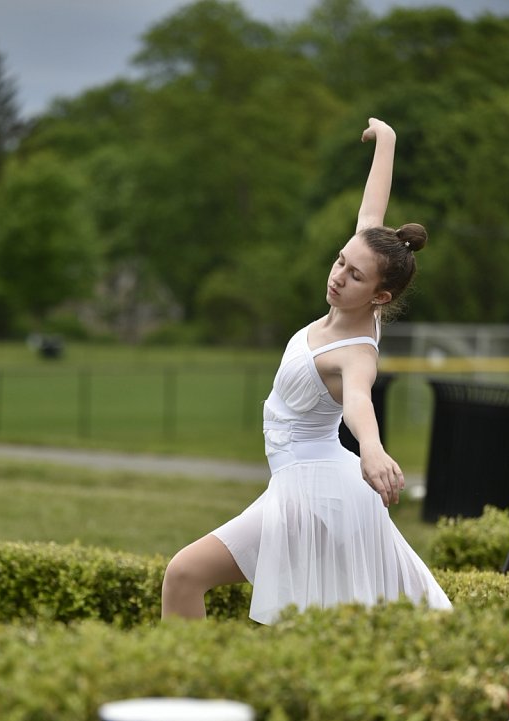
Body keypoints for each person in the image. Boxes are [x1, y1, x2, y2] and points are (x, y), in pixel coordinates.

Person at [162, 117, 451, 624]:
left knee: (183, 575)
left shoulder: (357, 350)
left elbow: (359, 401)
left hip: (313, 490)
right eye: (340, 261)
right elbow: (371, 211)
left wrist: (375, 450)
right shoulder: (365, 283)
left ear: (380, 296)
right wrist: (387, 141)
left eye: (354, 275)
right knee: (329, 621)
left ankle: (186, 692)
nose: (339, 276)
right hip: (317, 485)